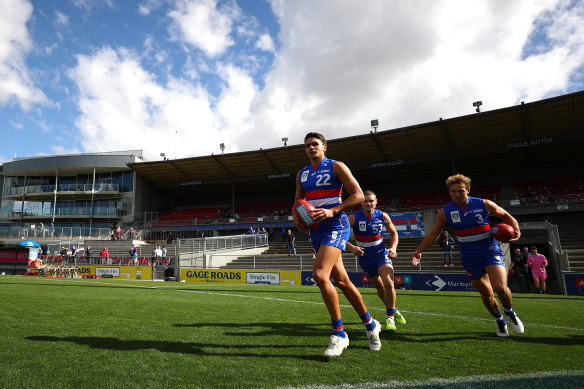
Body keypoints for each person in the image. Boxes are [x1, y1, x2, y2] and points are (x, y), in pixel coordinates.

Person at [294, 131, 380, 357]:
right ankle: (371, 325)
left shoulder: (336, 166)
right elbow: (298, 201)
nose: (311, 148)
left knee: (320, 275)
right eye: (307, 146)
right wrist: (297, 217)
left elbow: (359, 195)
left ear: (324, 147)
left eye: (315, 144)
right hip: (316, 230)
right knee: (342, 281)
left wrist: (333, 210)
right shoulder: (302, 174)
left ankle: (339, 334)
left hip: (336, 224)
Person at [411, 174, 524, 337]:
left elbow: (505, 216)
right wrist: (418, 250)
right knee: (487, 294)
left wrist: (517, 229)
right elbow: (434, 233)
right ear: (449, 192)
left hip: (490, 251)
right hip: (469, 257)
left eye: (461, 191)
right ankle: (500, 321)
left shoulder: (484, 204)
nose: (457, 194)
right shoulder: (445, 212)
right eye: (453, 191)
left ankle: (511, 313)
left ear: (468, 190)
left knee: (499, 287)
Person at [345, 190, 407, 331]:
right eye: (365, 201)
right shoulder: (354, 218)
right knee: (379, 287)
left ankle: (389, 317)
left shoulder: (382, 216)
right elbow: (340, 235)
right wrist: (351, 247)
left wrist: (393, 248)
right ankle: (393, 310)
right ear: (361, 202)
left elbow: (393, 233)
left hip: (381, 253)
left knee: (389, 283)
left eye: (371, 200)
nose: (368, 203)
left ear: (376, 201)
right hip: (365, 258)